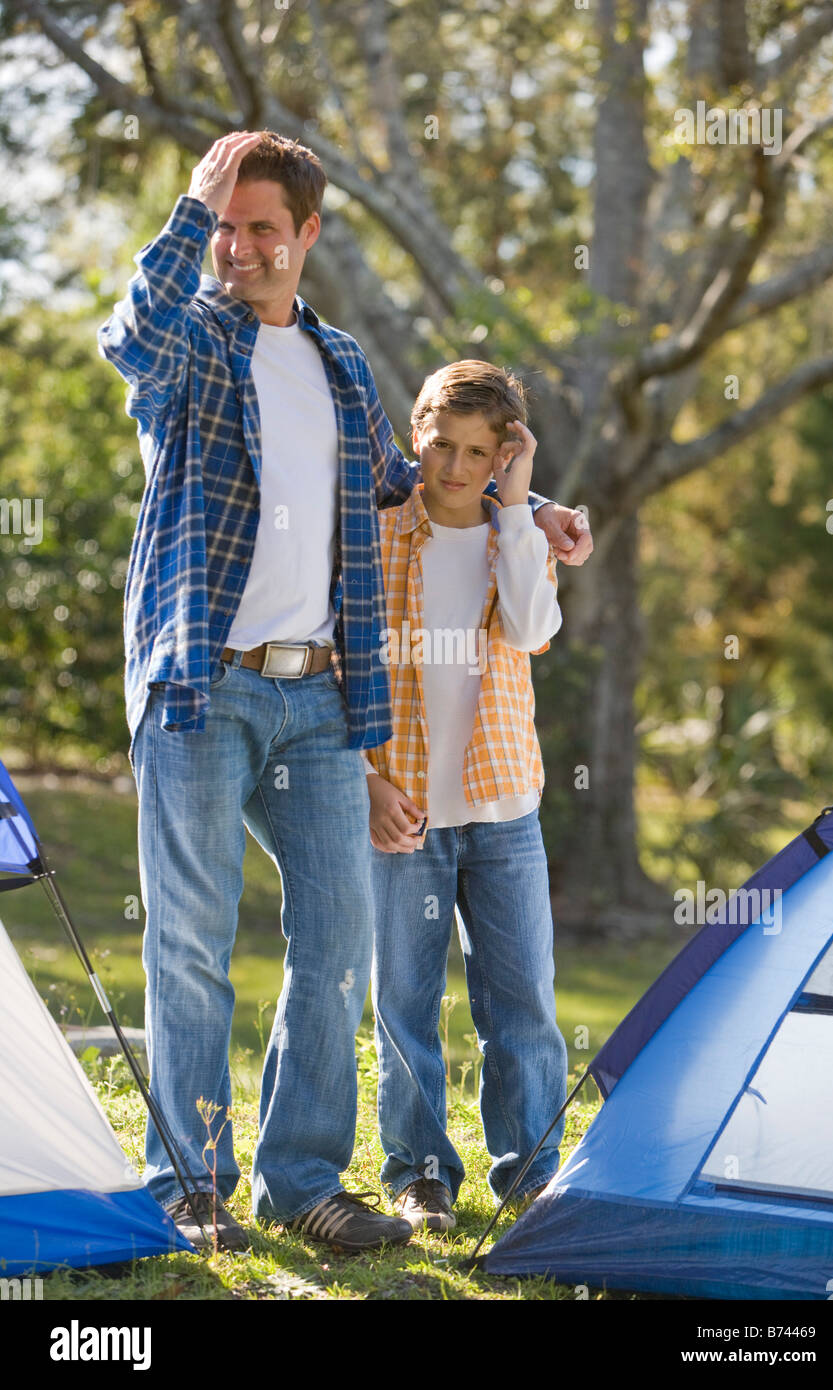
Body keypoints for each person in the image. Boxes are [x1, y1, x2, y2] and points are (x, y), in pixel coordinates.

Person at [98, 129, 591, 1253]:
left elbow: (413, 486)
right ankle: (190, 1181)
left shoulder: (338, 364)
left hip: (319, 698)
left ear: (307, 235)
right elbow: (127, 334)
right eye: (226, 222)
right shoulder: (187, 346)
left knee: (335, 944)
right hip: (200, 689)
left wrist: (536, 503)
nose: (239, 244)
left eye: (261, 225)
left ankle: (302, 1179)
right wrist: (193, 200)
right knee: (189, 939)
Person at [364, 361, 569, 1232]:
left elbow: (532, 629)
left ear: (502, 458)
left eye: (479, 452)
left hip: (503, 812)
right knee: (406, 1002)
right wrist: (363, 780)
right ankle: (419, 1176)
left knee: (521, 1002)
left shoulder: (515, 536)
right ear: (417, 433)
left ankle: (530, 1177)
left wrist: (523, 506)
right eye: (442, 445)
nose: (454, 466)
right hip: (403, 811)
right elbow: (341, 671)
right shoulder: (370, 539)